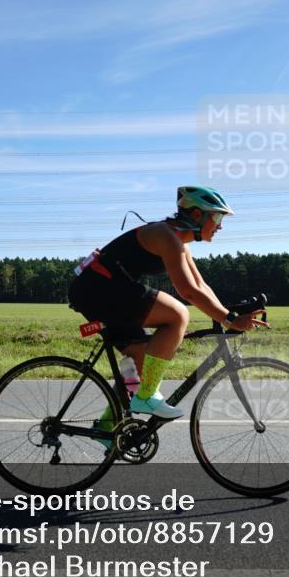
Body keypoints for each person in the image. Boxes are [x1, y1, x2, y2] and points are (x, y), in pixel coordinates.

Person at [68, 186, 267, 442]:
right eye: (217, 218)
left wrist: (227, 315)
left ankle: (106, 428)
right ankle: (146, 398)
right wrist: (229, 320)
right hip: (99, 288)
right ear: (197, 215)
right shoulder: (166, 236)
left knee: (141, 358)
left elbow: (200, 285)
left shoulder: (179, 242)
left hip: (102, 289)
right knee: (177, 315)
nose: (220, 226)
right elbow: (188, 292)